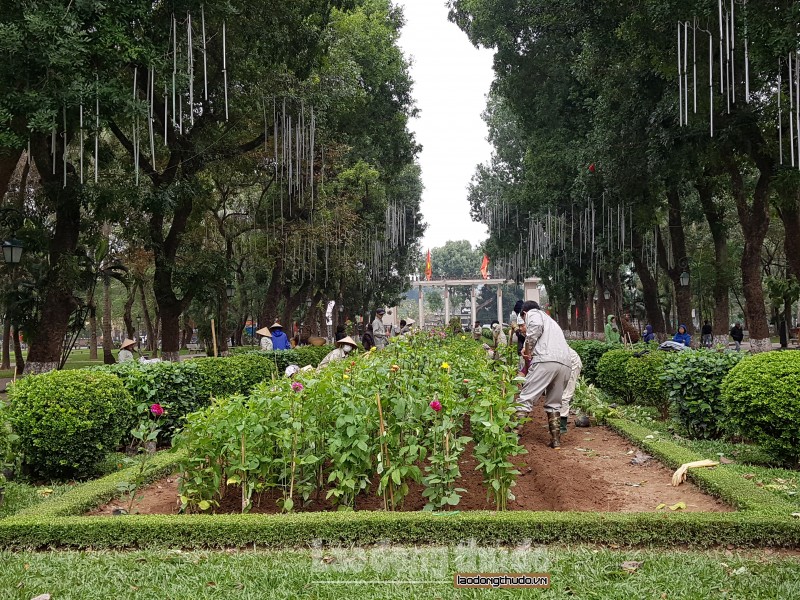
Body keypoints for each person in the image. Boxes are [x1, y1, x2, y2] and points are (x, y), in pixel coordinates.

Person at [517, 300, 572, 449]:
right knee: (554, 404)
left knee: (526, 397)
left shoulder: (533, 313)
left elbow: (535, 328)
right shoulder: (551, 321)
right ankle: (556, 441)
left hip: (546, 360)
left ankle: (511, 437)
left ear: (524, 313)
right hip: (565, 363)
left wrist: (527, 349)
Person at [560, 347, 583, 434]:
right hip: (561, 364)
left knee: (565, 395)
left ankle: (562, 426)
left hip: (571, 364)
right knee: (555, 393)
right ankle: (555, 422)